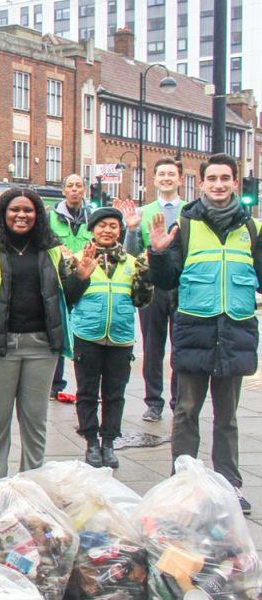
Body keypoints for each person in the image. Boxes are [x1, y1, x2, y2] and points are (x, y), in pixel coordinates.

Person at [148, 153, 262, 514]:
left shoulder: (251, 228)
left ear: (235, 182)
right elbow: (166, 281)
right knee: (186, 411)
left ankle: (230, 485)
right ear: (201, 183)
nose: (218, 185)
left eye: (224, 178)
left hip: (234, 331)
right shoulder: (187, 222)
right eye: (211, 178)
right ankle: (183, 483)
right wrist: (158, 251)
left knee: (226, 417)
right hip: (195, 328)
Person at [0, 188, 87, 490]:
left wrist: (80, 277)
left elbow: (67, 298)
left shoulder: (53, 249)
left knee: (35, 423)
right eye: (15, 209)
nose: (21, 215)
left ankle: (31, 489)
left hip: (41, 347)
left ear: (38, 215)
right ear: (3, 213)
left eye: (28, 210)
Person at [66, 206, 153, 469]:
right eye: (101, 225)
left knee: (115, 394)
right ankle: (91, 442)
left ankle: (109, 443)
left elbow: (142, 300)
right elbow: (68, 297)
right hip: (87, 336)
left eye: (113, 226)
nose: (107, 230)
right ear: (92, 230)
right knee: (87, 392)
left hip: (120, 339)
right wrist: (79, 273)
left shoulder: (132, 261)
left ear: (120, 230)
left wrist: (147, 274)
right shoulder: (77, 258)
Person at [119, 156, 186, 423]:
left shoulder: (190, 212)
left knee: (180, 346)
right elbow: (131, 253)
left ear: (180, 179)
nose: (167, 178)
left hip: (182, 287)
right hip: (153, 287)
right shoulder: (143, 212)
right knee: (153, 345)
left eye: (171, 174)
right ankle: (154, 402)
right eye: (162, 174)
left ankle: (178, 400)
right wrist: (132, 229)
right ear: (155, 179)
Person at [47, 173, 93, 403]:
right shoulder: (50, 217)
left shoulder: (92, 216)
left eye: (79, 186)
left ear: (85, 190)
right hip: (59, 281)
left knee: (83, 333)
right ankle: (56, 384)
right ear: (63, 191)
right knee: (59, 330)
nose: (75, 189)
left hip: (86, 280)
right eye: (70, 186)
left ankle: (86, 384)